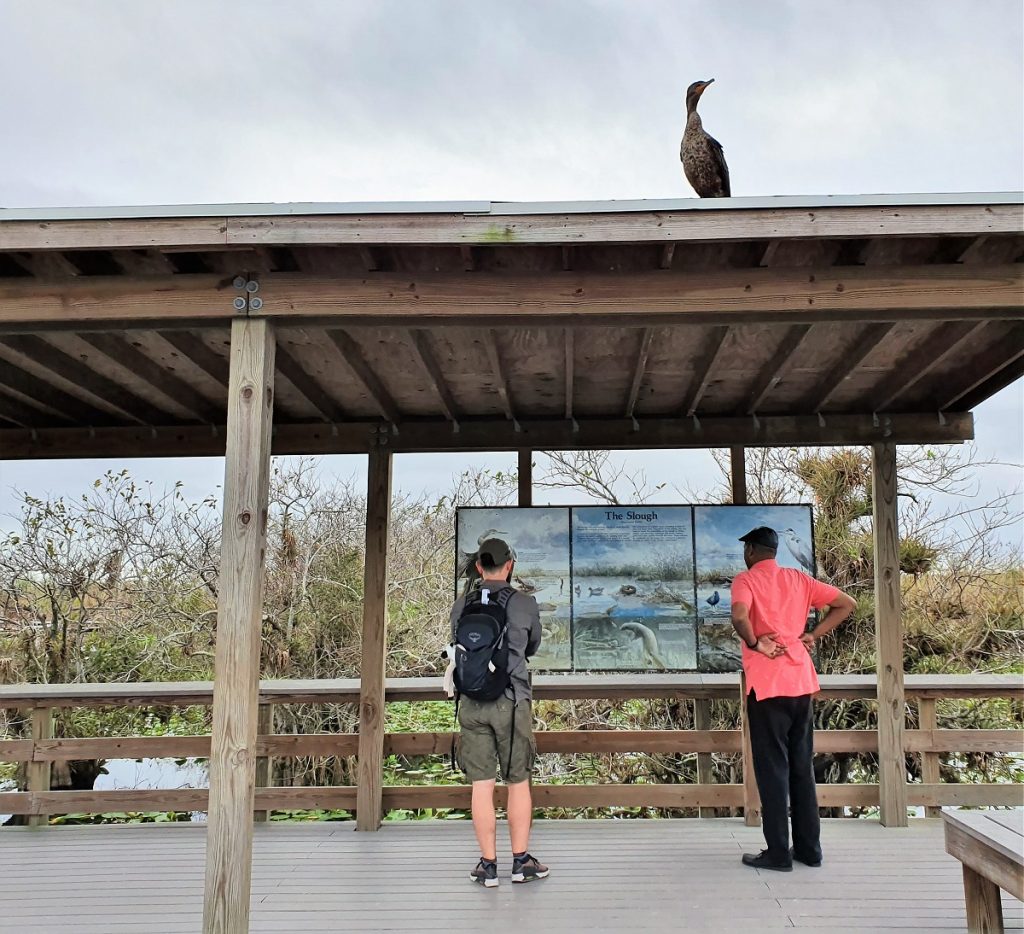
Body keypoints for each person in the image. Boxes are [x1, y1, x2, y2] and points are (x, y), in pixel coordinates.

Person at [729, 526, 856, 872]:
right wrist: (812, 634)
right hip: (801, 684)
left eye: (746, 549)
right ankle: (809, 850)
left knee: (772, 771)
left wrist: (756, 643)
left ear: (752, 550)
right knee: (801, 768)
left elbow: (740, 616)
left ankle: (778, 853)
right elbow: (847, 604)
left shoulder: (746, 580)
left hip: (768, 687)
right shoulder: (799, 580)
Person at [449, 537, 549, 888]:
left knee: (482, 784)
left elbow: (457, 646)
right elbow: (532, 645)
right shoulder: (524, 604)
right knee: (517, 781)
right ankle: (521, 863)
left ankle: (488, 866)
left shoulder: (463, 604)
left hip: (472, 703)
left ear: (479, 567)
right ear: (510, 565)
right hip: (511, 700)